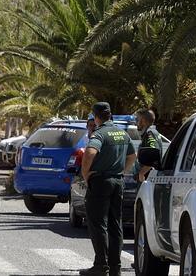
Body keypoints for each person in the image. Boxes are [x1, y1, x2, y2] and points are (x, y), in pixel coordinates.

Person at [80, 102, 137, 276]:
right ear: (110, 115)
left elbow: (90, 152)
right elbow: (132, 156)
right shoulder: (122, 133)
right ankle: (115, 267)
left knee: (98, 224)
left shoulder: (99, 133)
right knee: (115, 224)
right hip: (117, 182)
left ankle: (100, 266)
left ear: (96, 116)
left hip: (100, 182)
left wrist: (86, 174)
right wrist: (123, 171)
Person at [135, 109, 162, 182]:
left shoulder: (149, 133)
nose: (136, 122)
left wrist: (141, 173)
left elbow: (153, 153)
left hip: (148, 179)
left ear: (143, 120)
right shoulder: (152, 132)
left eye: (137, 119)